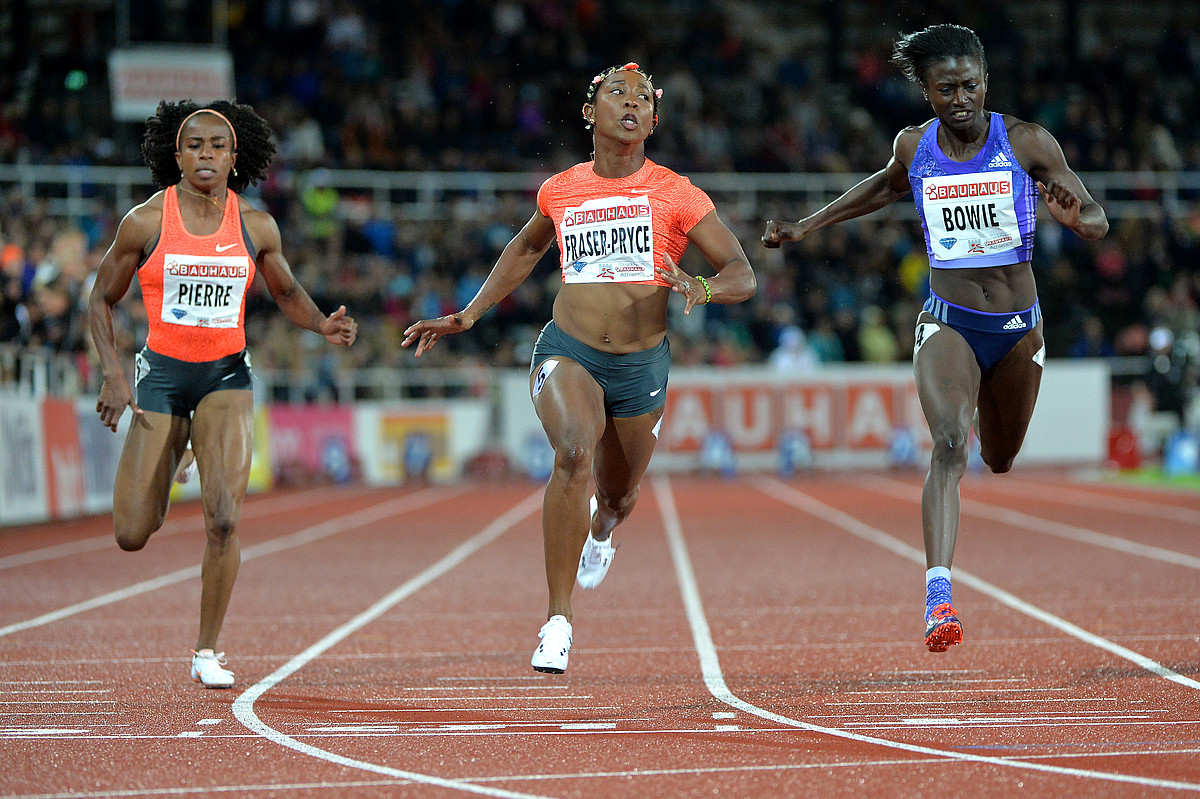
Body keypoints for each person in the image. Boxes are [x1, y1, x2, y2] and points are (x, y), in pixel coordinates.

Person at [762, 24, 1108, 653]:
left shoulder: (1026, 141)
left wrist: (1073, 215)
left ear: (986, 83)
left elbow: (1096, 218)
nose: (960, 98)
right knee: (949, 443)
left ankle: (981, 452)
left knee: (998, 458)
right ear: (925, 92)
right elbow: (883, 186)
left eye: (970, 85)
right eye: (946, 88)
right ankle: (938, 596)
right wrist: (808, 227)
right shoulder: (913, 146)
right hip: (948, 320)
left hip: (1017, 328)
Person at [402, 63, 756, 674]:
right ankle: (557, 622)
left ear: (653, 120)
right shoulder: (563, 189)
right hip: (569, 349)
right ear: (590, 113)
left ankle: (601, 532)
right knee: (571, 453)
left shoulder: (677, 193)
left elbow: (742, 274)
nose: (632, 102)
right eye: (617, 93)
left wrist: (700, 285)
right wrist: (468, 315)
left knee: (618, 495)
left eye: (644, 98)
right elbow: (527, 248)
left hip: (641, 364)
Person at [88, 100, 358, 687]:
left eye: (217, 145)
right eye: (194, 145)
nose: (205, 154)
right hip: (160, 376)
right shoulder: (146, 221)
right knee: (132, 533)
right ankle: (179, 445)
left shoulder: (256, 224)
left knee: (225, 520)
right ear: (175, 155)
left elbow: (285, 292)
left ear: (235, 158)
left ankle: (207, 651)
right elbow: (100, 299)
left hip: (225, 377)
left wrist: (321, 324)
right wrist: (113, 371)